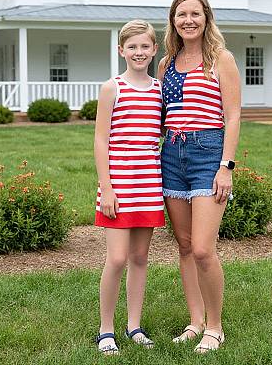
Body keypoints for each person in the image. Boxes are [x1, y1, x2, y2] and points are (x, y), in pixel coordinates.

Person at [157, 0, 241, 353]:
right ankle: (195, 321)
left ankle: (216, 327)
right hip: (172, 156)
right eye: (181, 14)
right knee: (186, 246)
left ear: (207, 17)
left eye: (195, 13)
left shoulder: (221, 59)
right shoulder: (166, 64)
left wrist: (226, 167)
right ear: (173, 21)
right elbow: (158, 118)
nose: (188, 20)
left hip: (209, 154)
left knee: (205, 249)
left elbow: (234, 116)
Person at [94, 20, 165, 355]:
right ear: (121, 50)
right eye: (132, 47)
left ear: (154, 50)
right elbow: (100, 138)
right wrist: (106, 186)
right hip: (119, 184)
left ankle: (134, 325)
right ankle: (106, 329)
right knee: (117, 258)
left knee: (139, 258)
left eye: (145, 46)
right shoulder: (113, 88)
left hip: (149, 183)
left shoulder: (158, 90)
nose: (139, 52)